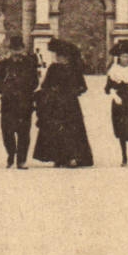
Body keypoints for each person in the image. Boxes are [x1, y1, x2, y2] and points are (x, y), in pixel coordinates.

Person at [34, 40, 93, 168]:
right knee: (56, 130)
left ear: (67, 56)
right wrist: (51, 90)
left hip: (70, 104)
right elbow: (45, 85)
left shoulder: (75, 69)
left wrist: (74, 91)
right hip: (55, 104)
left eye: (60, 56)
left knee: (72, 130)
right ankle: (58, 157)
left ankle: (73, 157)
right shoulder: (53, 68)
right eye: (57, 56)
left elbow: (82, 86)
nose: (58, 58)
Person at [0, 35, 40, 168]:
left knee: (24, 133)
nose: (17, 52)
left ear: (23, 49)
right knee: (7, 131)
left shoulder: (30, 63)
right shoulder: (3, 65)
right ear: (10, 50)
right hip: (8, 103)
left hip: (25, 102)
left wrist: (24, 89)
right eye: (14, 49)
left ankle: (21, 160)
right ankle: (11, 153)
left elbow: (35, 82)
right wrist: (7, 91)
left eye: (19, 49)